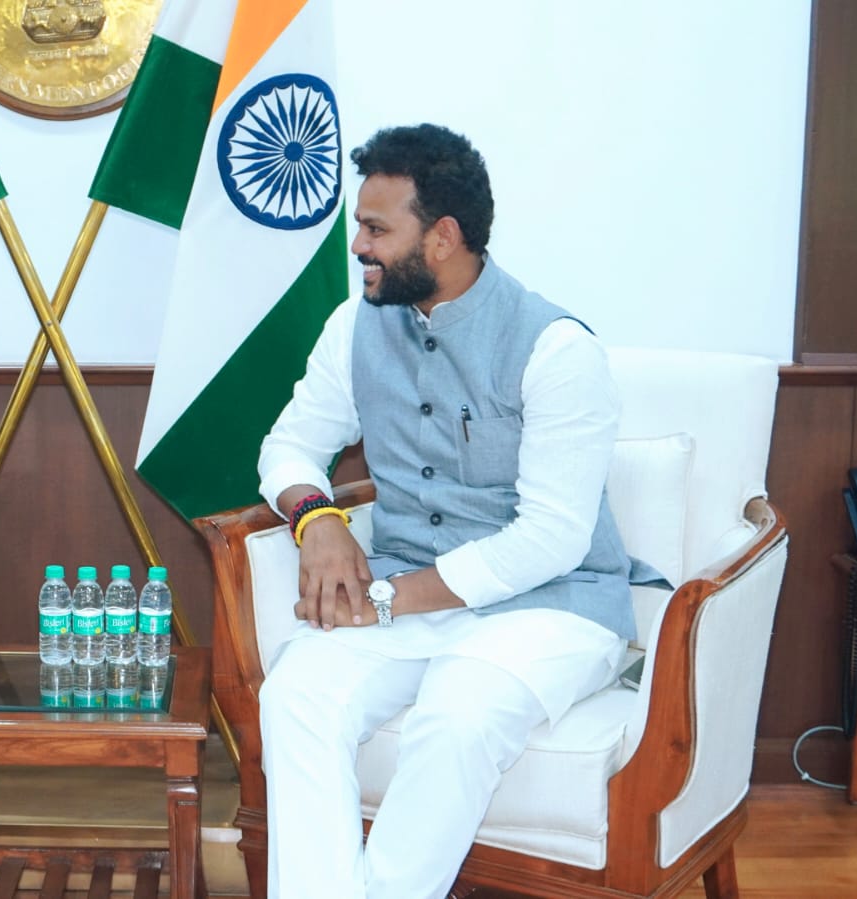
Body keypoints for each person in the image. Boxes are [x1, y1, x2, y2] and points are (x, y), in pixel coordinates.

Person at [254, 124, 664, 899]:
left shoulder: (555, 348)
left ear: (441, 237)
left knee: (457, 713)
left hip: (551, 606)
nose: (358, 246)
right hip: (408, 597)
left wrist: (387, 599)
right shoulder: (354, 326)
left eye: (375, 229)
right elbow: (288, 446)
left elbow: (550, 538)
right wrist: (317, 520)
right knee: (295, 693)